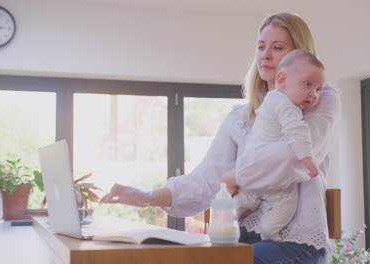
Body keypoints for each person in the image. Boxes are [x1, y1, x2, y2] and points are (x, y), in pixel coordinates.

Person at [101, 12, 340, 264]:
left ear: (299, 57)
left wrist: (238, 176)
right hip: (242, 237)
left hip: (294, 243)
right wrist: (148, 197)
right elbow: (207, 180)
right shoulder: (240, 117)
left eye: (277, 47)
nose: (265, 55)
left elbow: (297, 159)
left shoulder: (320, 99)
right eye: (261, 47)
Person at [233, 49, 325, 241]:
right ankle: (269, 232)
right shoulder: (284, 104)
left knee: (243, 203)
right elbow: (297, 131)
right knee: (283, 209)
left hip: (258, 178)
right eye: (307, 84)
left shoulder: (271, 101)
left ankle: (234, 219)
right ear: (282, 80)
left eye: (318, 89)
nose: (313, 94)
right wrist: (307, 159)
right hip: (269, 176)